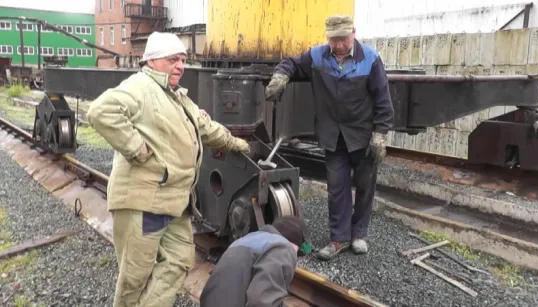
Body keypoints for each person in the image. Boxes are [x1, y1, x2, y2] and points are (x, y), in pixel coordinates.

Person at [86, 32, 251, 307]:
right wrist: (137, 150)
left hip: (175, 201)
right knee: (135, 277)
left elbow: (205, 127)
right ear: (152, 62)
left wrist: (238, 144)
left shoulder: (176, 97)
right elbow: (101, 111)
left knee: (179, 260)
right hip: (145, 202)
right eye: (173, 59)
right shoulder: (140, 87)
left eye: (183, 59)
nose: (180, 65)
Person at [265, 15, 394, 261]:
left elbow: (383, 99)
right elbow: (291, 63)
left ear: (353, 34)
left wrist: (381, 133)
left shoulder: (371, 59)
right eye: (333, 40)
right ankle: (338, 238)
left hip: (362, 136)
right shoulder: (317, 56)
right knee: (337, 188)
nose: (338, 46)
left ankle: (359, 234)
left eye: (343, 40)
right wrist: (280, 76)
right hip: (332, 136)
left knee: (365, 186)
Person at [199, 215, 312, 307]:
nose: (295, 257)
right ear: (295, 243)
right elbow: (262, 302)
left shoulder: (245, 241)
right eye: (297, 253)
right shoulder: (283, 247)